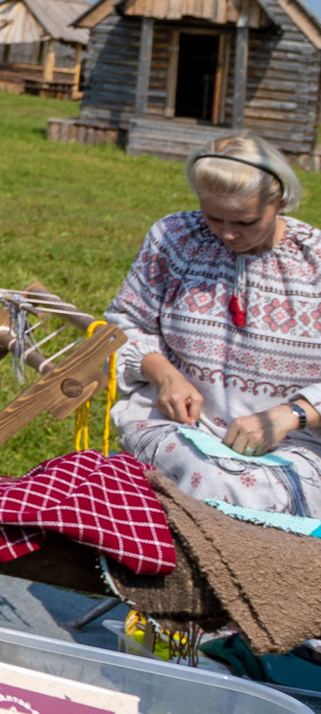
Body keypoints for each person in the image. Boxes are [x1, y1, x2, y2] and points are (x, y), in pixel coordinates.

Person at [106, 134, 321, 514]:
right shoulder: (175, 238)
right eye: (214, 217)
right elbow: (125, 324)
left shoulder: (314, 260)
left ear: (281, 201)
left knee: (244, 495)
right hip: (178, 428)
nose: (227, 234)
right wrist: (164, 375)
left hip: (293, 445)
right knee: (204, 476)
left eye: (246, 221)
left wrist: (293, 415)